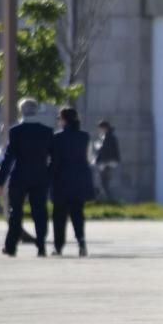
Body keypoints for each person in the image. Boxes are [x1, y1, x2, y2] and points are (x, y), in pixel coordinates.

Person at [0, 98, 54, 257]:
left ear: (21, 111)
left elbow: (8, 158)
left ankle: (11, 246)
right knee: (40, 212)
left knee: (16, 213)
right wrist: (48, 175)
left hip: (19, 176)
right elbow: (53, 157)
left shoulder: (15, 131)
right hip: (40, 177)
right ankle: (41, 246)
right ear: (36, 111)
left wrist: (0, 182)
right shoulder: (47, 131)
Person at [50, 107, 95, 257]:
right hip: (79, 181)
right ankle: (81, 242)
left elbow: (54, 161)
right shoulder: (85, 136)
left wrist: (48, 177)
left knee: (59, 217)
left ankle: (58, 246)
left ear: (63, 119)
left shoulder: (57, 138)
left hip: (61, 181)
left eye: (59, 118)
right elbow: (89, 158)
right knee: (77, 214)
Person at [92, 119, 121, 202]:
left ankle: (109, 200)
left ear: (105, 128)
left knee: (104, 183)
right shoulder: (106, 137)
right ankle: (105, 199)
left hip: (107, 163)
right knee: (102, 182)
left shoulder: (109, 138)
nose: (99, 130)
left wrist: (99, 147)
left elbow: (107, 151)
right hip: (106, 163)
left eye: (100, 128)